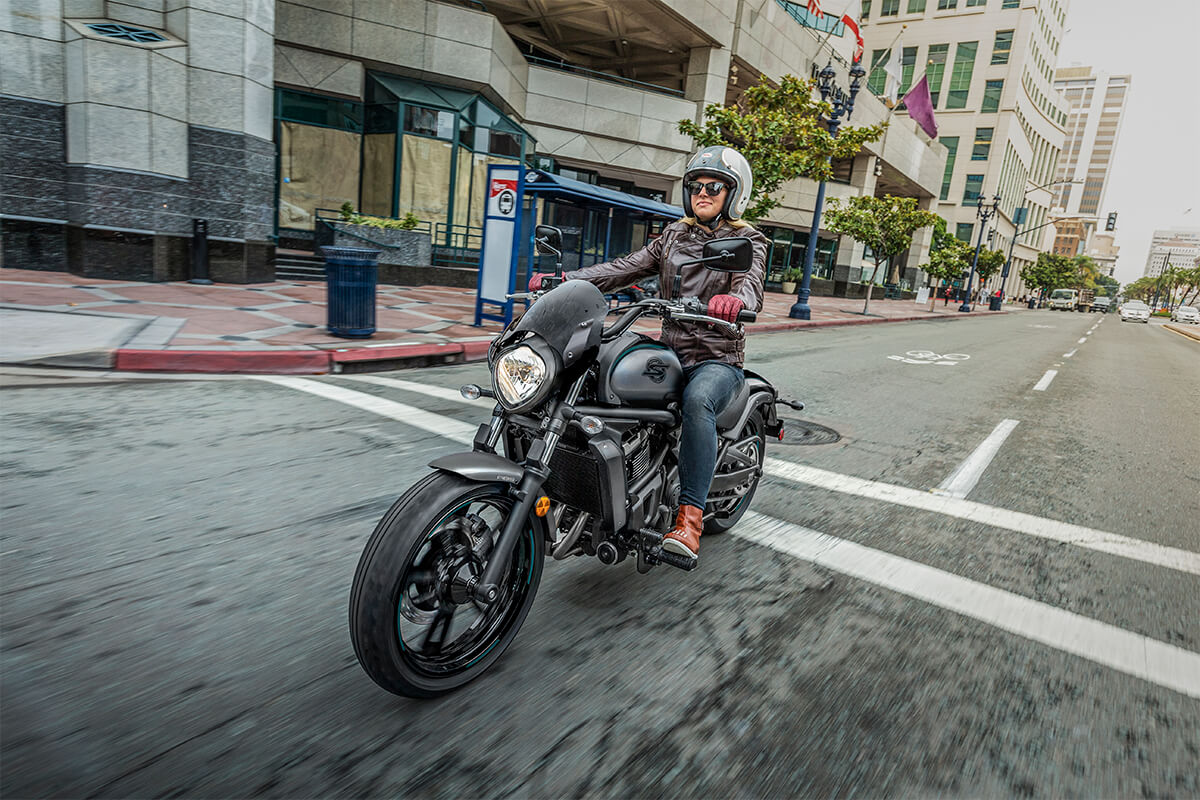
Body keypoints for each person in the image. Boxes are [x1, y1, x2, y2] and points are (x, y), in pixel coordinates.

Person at [528, 147, 768, 562]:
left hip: (716, 358)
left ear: (734, 193)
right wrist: (567, 280)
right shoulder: (675, 235)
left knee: (698, 401)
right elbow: (626, 267)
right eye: (696, 186)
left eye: (714, 186)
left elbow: (751, 281)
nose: (703, 193)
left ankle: (689, 520)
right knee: (597, 368)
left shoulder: (748, 240)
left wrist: (733, 300)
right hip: (671, 351)